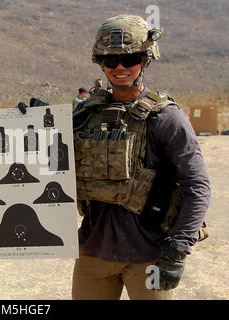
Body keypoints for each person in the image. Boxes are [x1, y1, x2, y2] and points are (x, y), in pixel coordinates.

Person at [70, 15, 210, 299]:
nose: (120, 68)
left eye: (130, 58)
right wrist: (29, 123)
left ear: (146, 61)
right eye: (111, 61)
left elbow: (197, 186)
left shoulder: (167, 118)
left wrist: (178, 251)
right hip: (92, 254)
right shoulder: (84, 115)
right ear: (100, 63)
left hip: (149, 256)